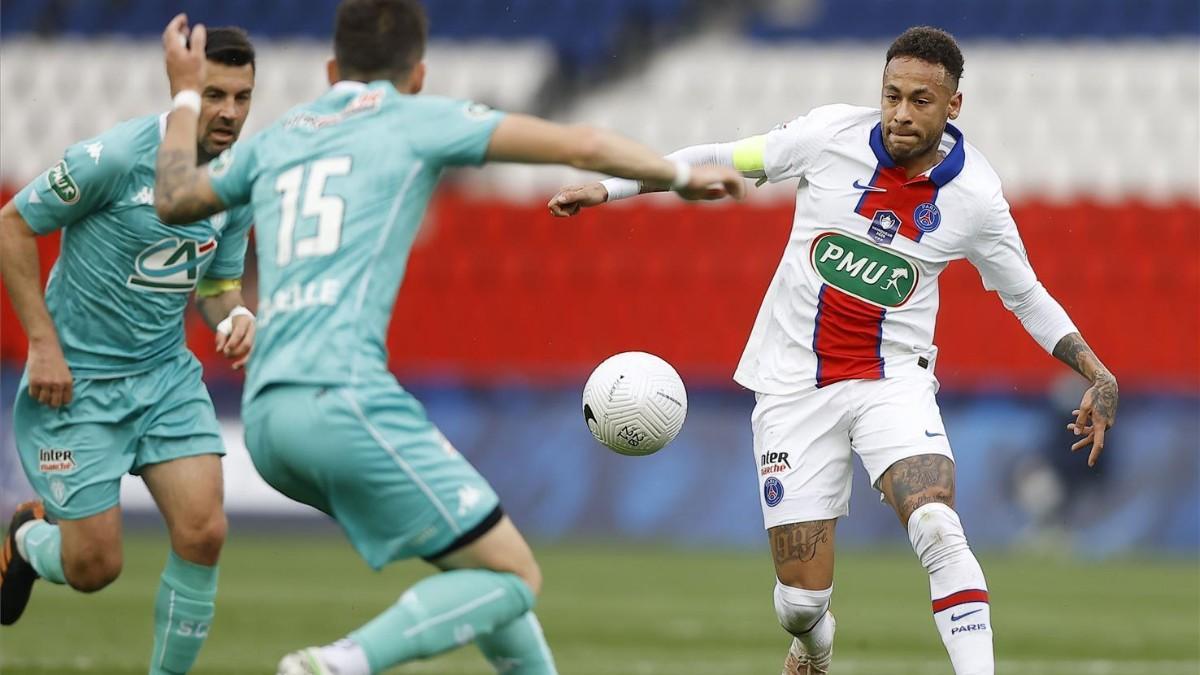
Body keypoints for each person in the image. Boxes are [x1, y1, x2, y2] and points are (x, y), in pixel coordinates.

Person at [149, 2, 746, 673]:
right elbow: (580, 145)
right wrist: (682, 177)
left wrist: (182, 91)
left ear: (331, 67)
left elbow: (173, 197)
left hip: (265, 416)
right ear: (419, 74)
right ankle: (337, 664)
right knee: (515, 575)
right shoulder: (413, 118)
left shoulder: (280, 135)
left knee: (483, 566)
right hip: (342, 398)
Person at [548, 25, 1119, 675]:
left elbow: (1027, 294)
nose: (902, 113)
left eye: (921, 101)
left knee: (936, 523)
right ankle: (812, 646)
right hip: (793, 382)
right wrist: (611, 187)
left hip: (891, 380)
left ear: (953, 105)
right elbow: (721, 157)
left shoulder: (976, 199)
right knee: (799, 600)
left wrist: (1095, 371)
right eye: (892, 95)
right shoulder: (827, 139)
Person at [0, 27, 259, 675]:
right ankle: (28, 542)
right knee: (95, 567)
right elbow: (11, 223)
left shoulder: (237, 179)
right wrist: (42, 343)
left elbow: (218, 284)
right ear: (185, 94)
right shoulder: (114, 157)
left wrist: (236, 316)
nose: (229, 112)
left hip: (164, 378)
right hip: (75, 384)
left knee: (205, 532)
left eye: (244, 97)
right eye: (215, 94)